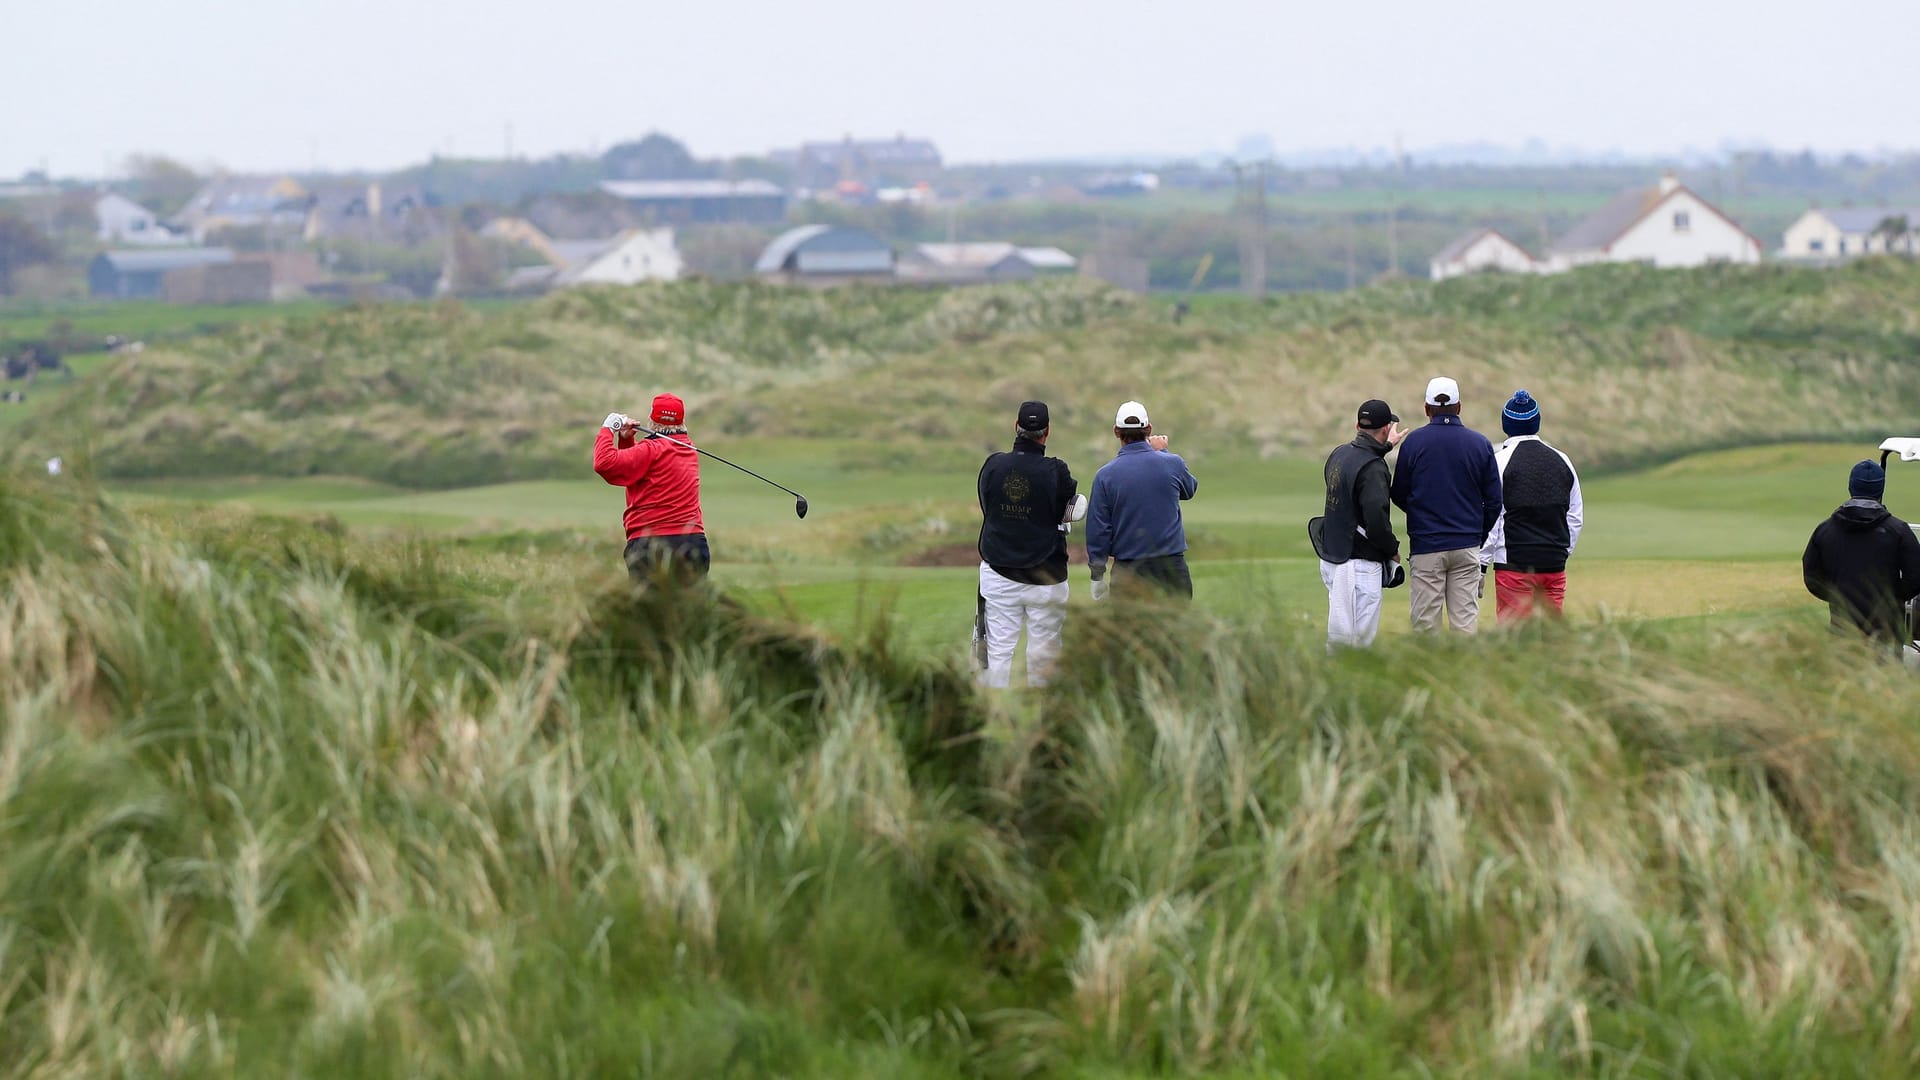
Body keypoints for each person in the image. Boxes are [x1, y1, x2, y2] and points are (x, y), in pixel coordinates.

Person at [972, 400, 1081, 688]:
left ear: (1016, 428)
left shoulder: (993, 465)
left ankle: (996, 718)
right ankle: (1042, 722)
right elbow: (1069, 506)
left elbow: (988, 507)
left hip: (999, 573)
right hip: (1047, 576)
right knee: (1044, 656)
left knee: (998, 652)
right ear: (1047, 432)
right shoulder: (1057, 471)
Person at [1390, 376, 1502, 633]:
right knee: (1465, 628)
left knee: (1426, 628)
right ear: (1459, 407)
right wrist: (1477, 533)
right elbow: (1494, 501)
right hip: (1467, 545)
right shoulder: (1480, 443)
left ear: (1427, 409)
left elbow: (1398, 493)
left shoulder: (1414, 443)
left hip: (1427, 546)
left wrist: (1422, 515)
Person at [1480, 389, 1584, 621]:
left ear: (1506, 425)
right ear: (1536, 423)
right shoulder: (1563, 460)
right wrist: (1561, 551)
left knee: (1514, 639)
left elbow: (1493, 515)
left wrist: (1482, 561)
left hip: (1513, 566)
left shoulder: (1498, 462)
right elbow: (1574, 516)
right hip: (1554, 565)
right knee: (1550, 635)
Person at [1315, 399, 1407, 647]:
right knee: (1357, 645)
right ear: (1386, 428)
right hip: (1359, 566)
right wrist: (1393, 550)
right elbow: (1376, 523)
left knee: (1340, 639)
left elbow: (1358, 467)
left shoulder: (1339, 454)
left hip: (1333, 556)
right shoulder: (1374, 467)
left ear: (1357, 425)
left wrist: (1385, 447)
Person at [1086, 400, 1199, 601]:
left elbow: (1099, 530)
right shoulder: (1172, 463)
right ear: (1148, 429)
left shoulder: (1105, 476)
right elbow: (1189, 489)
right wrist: (1163, 452)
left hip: (1128, 572)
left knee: (1132, 631)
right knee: (1175, 630)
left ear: (1116, 431)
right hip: (1171, 569)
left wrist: (1097, 576)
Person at [1802, 460, 1920, 649]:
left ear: (1851, 487)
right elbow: (1916, 578)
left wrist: (1838, 596)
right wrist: (1891, 597)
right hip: (1887, 635)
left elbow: (1812, 577)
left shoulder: (1824, 531)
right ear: (1880, 489)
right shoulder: (1899, 531)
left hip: (1843, 631)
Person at [593, 392, 710, 582]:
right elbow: (635, 473)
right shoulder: (689, 449)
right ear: (682, 421)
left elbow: (604, 464)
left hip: (652, 545)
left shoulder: (650, 450)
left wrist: (608, 428)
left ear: (651, 420)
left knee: (651, 610)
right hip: (693, 543)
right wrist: (626, 441)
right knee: (689, 609)